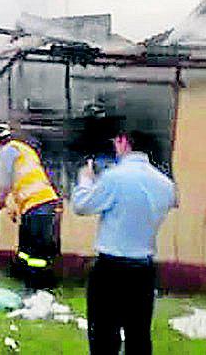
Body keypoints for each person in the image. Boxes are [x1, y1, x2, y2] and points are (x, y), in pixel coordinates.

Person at [71, 128, 176, 355]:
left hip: (110, 268)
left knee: (103, 334)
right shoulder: (165, 185)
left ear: (124, 142)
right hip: (144, 269)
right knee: (138, 333)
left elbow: (81, 205)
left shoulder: (114, 177)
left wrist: (85, 180)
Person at [0, 121, 61, 290]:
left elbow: (5, 183)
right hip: (40, 203)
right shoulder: (24, 149)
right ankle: (23, 278)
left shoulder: (7, 151)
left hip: (37, 204)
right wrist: (13, 208)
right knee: (27, 246)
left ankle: (36, 286)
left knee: (35, 250)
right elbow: (19, 182)